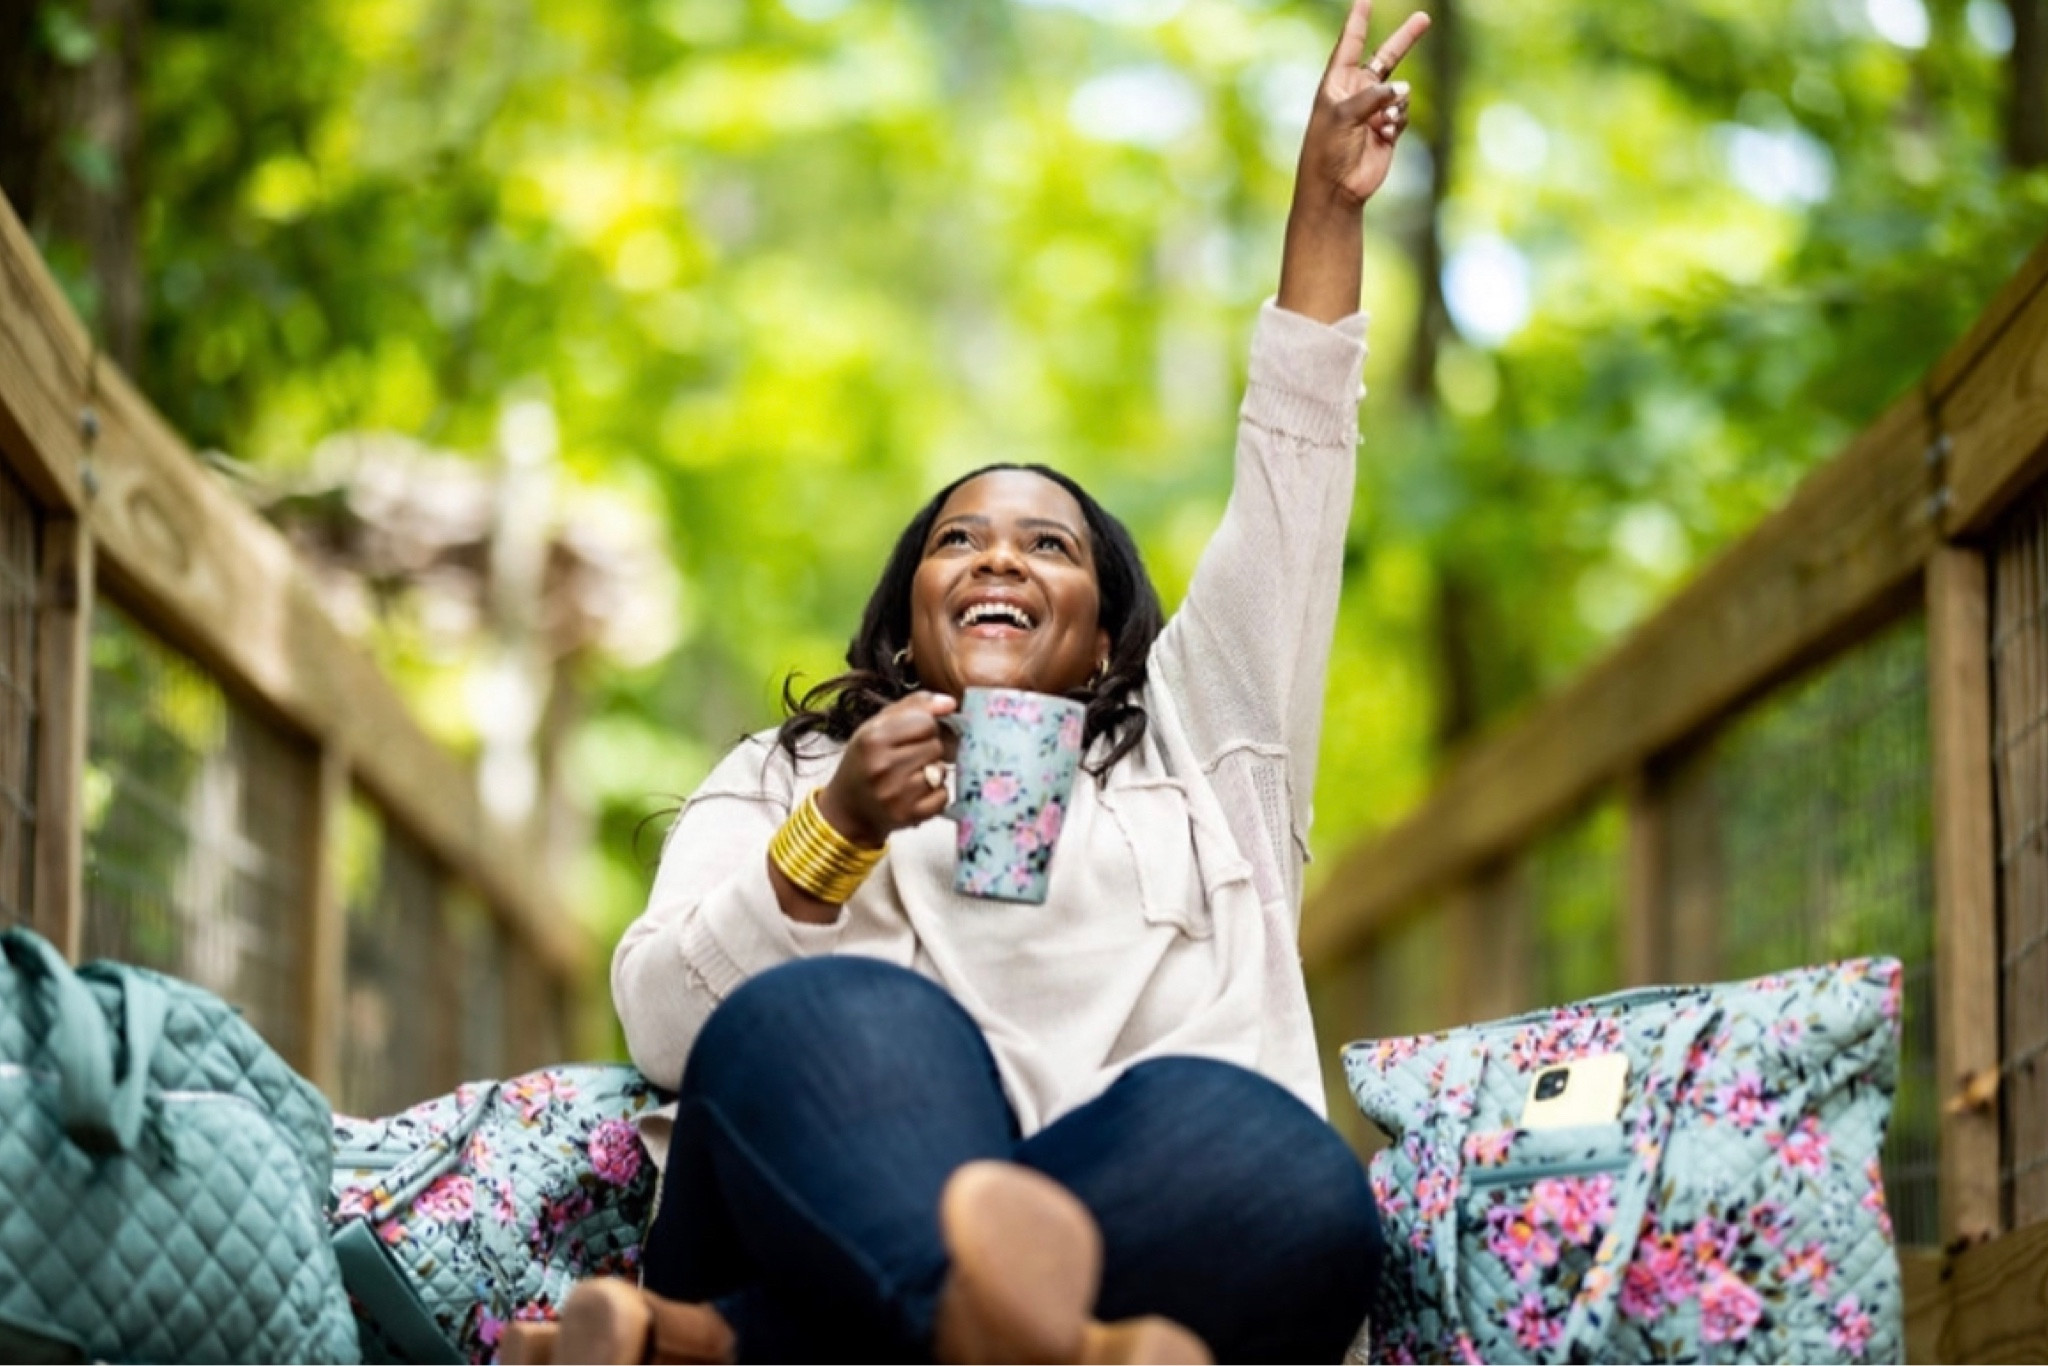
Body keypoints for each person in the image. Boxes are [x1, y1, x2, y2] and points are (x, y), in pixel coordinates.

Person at [551, 4, 1432, 1362]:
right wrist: (834, 831)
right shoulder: (785, 776)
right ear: (907, 625)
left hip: (1130, 1206)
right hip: (817, 1191)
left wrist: (1323, 202)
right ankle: (1012, 1334)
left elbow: (1298, 471)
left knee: (1282, 1162)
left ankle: (719, 1348)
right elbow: (666, 1023)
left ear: (1104, 636)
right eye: (958, 538)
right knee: (840, 1015)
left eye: (1048, 543)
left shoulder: (1204, 744)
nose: (997, 556)